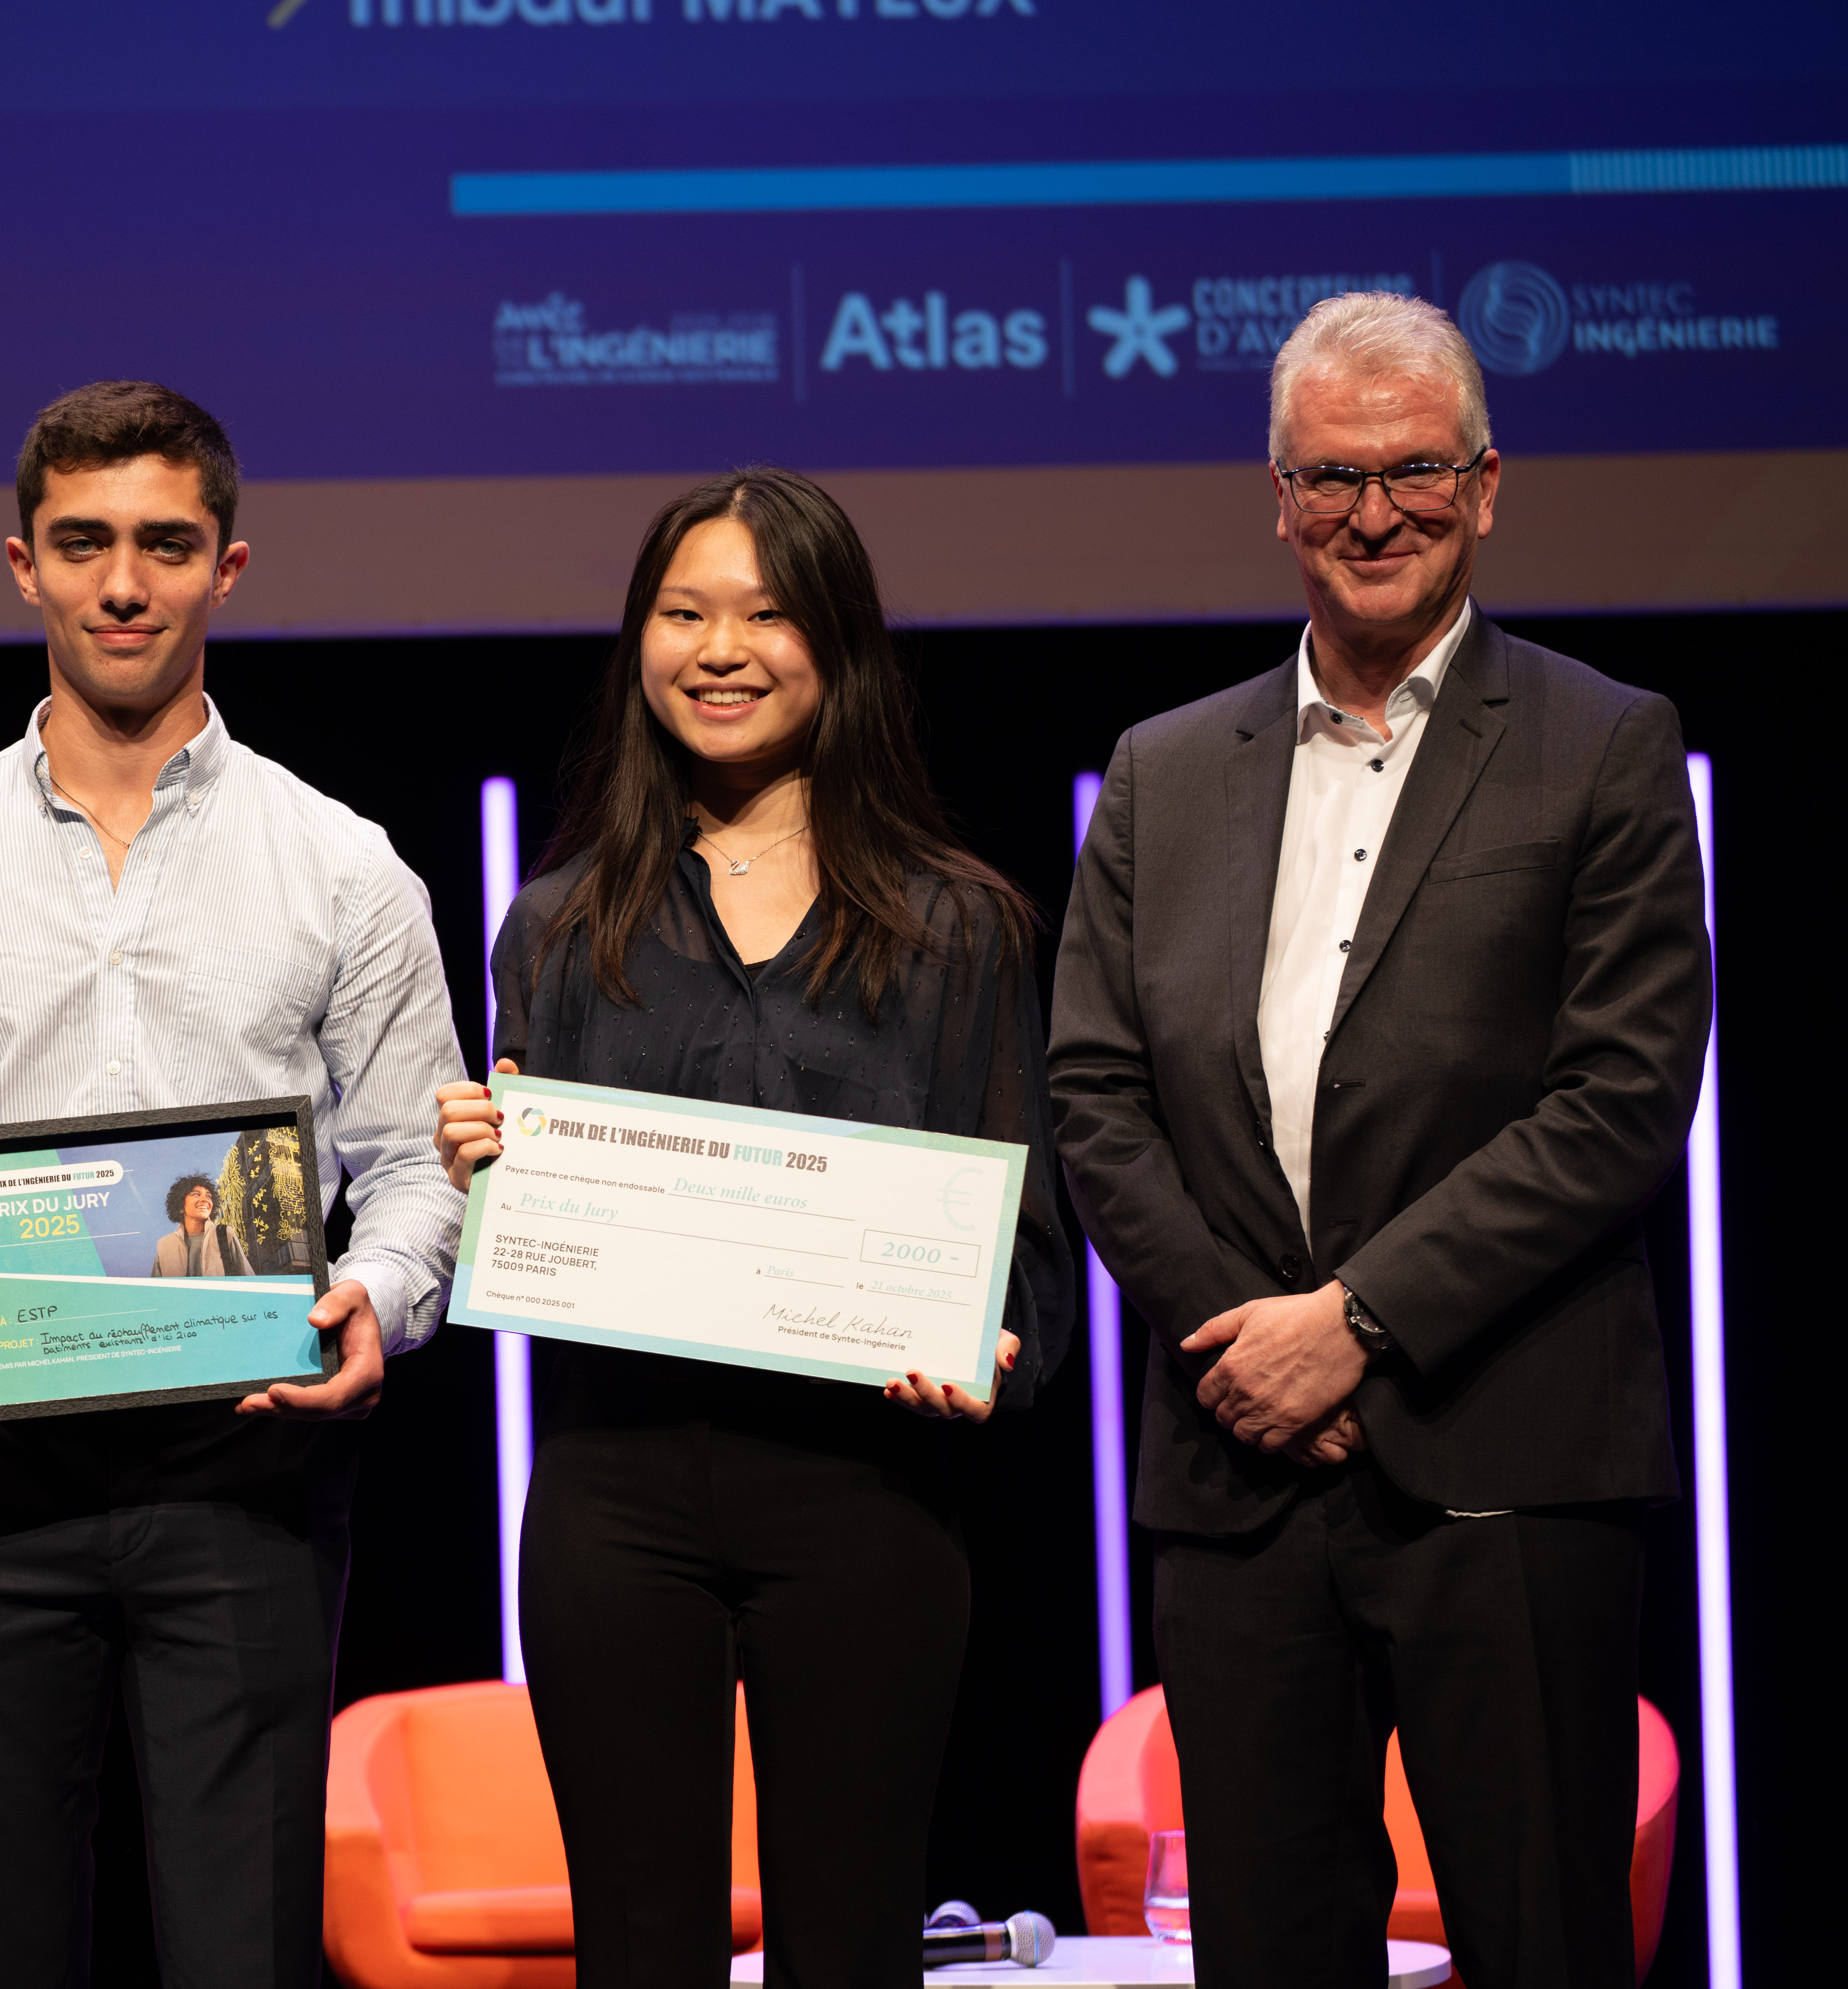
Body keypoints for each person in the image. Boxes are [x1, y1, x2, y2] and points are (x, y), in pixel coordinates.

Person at [1048, 294, 1712, 1989]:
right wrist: (1242, 1339)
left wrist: (1351, 1326)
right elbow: (1097, 1096)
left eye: (1415, 471)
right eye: (1331, 478)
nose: (1373, 513)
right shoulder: (1165, 769)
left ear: (1488, 487)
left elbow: (1621, 1099)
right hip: (1240, 1471)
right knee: (1268, 1952)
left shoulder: (1605, 744)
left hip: (1511, 1462)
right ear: (1279, 499)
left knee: (1542, 1938)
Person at [0, 381, 466, 1989]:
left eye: (165, 544)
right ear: (22, 563)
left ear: (229, 566)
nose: (123, 583)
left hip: (242, 1471)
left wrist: (375, 1296)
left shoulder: (342, 862)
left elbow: (418, 1166)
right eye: (84, 543)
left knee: (243, 1944)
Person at [433, 467, 1072, 1989]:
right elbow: (549, 1215)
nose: (721, 649)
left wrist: (991, 1345)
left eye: (767, 614)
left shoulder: (957, 923)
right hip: (614, 1497)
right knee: (639, 1946)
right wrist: (490, 1168)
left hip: (867, 1490)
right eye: (684, 613)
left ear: (837, 644)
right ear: (640, 642)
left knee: (849, 1942)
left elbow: (1030, 1235)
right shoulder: (560, 921)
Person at [152, 1174, 252, 1277]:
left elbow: (249, 1281)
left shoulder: (225, 1234)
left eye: (209, 1196)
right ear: (181, 1206)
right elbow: (155, 1290)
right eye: (196, 1194)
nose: (205, 1200)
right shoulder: (165, 1245)